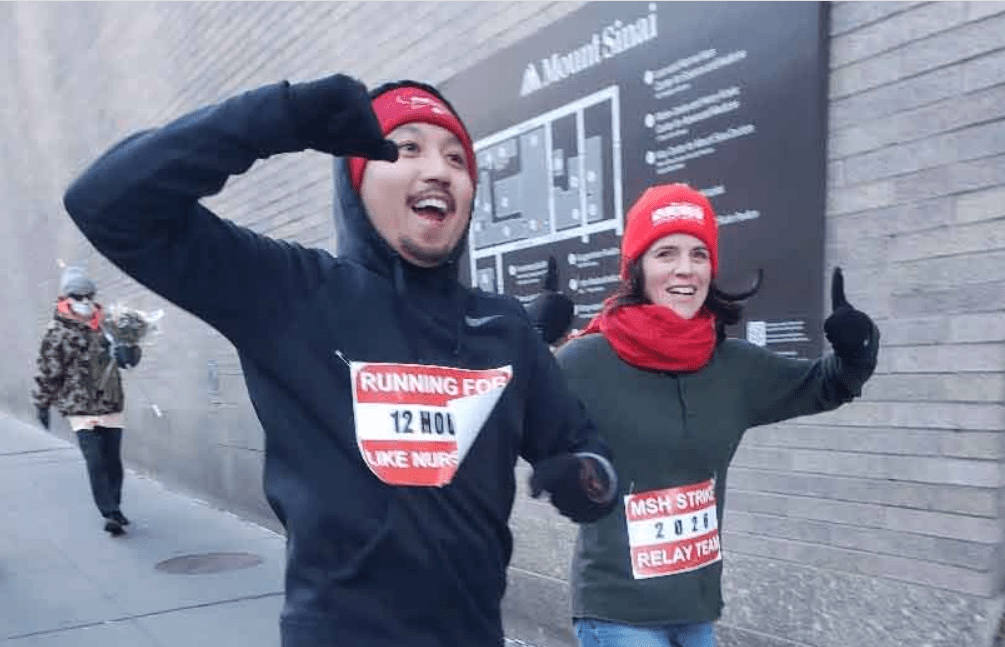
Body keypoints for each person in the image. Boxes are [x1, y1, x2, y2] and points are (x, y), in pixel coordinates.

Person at [62, 73, 618, 647]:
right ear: (356, 180)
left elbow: (582, 449)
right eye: (407, 148)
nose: (438, 169)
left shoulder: (504, 329)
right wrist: (277, 117)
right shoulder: (292, 292)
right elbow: (106, 203)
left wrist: (587, 479)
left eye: (457, 157)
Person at [553, 183, 880, 647]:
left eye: (698, 253)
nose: (685, 269)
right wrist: (526, 339)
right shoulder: (586, 362)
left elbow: (829, 385)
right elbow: (507, 407)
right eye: (666, 252)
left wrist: (856, 350)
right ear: (638, 269)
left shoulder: (735, 367)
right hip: (617, 611)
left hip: (696, 608)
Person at [33, 267, 132, 537]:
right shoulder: (57, 331)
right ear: (68, 297)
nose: (86, 301)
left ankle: (116, 504)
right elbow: (48, 370)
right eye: (79, 296)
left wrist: (129, 350)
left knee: (113, 460)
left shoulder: (109, 324)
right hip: (80, 407)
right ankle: (110, 513)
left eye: (90, 295)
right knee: (95, 461)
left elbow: (128, 360)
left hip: (111, 402)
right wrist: (42, 403)